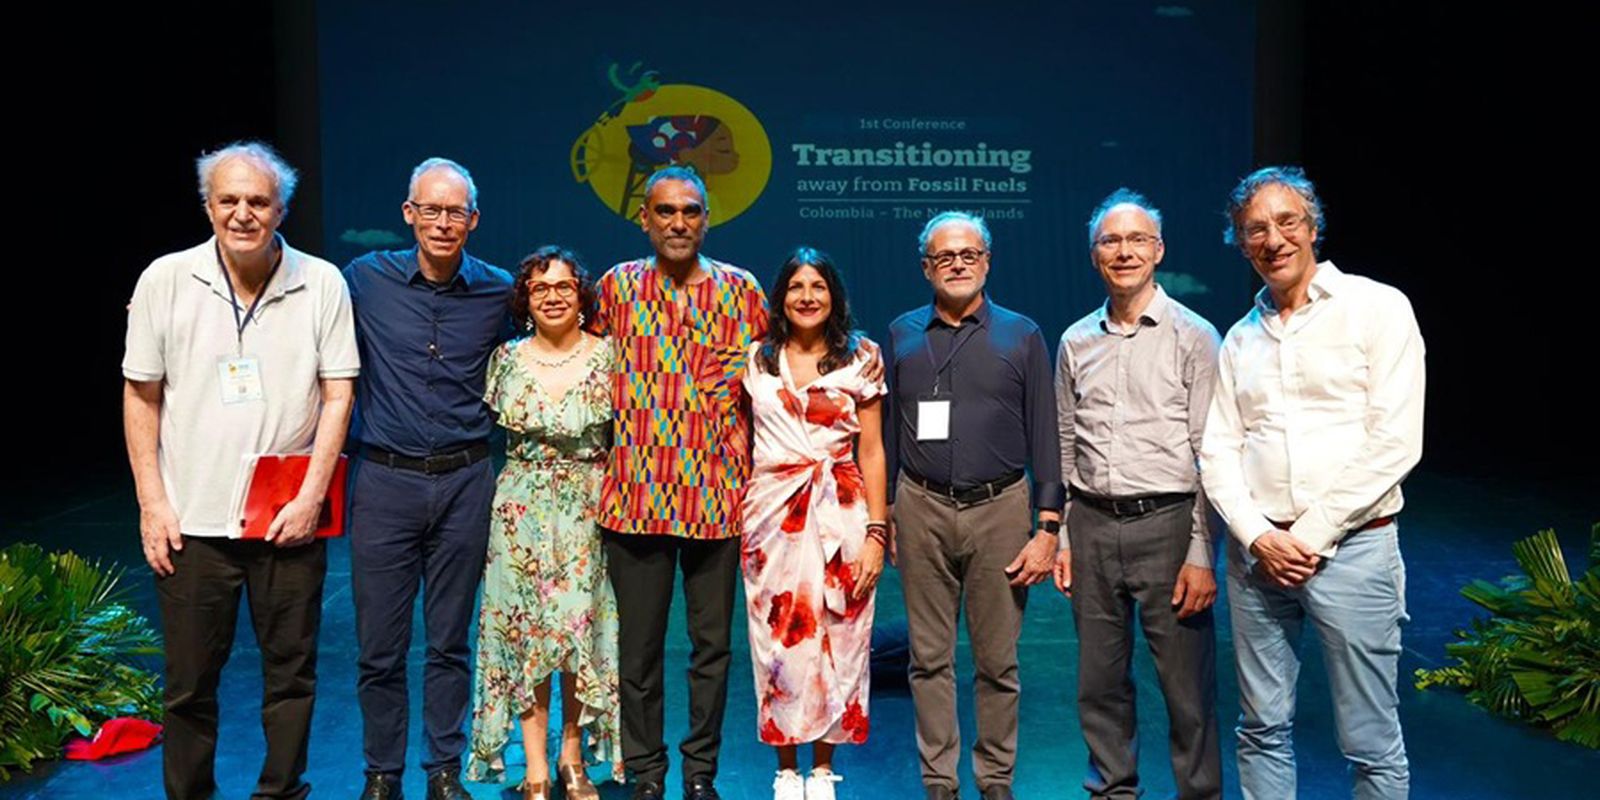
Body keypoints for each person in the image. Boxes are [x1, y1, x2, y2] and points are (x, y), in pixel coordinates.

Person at [122, 141, 358, 800]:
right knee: (189, 685)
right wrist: (152, 503)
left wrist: (311, 496)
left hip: (287, 519)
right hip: (191, 522)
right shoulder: (165, 279)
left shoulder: (322, 282)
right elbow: (141, 395)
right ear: (208, 205)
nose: (243, 213)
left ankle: (280, 792)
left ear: (281, 209)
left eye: (258, 201)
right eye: (228, 200)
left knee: (292, 676)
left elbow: (338, 394)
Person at [1200, 166, 1425, 799]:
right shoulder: (1240, 338)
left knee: (1371, 742)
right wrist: (1258, 537)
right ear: (1241, 244)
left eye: (1286, 222)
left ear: (1313, 226)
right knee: (1261, 728)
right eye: (1255, 230)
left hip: (1354, 550)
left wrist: (1308, 537)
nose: (1273, 239)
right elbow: (1218, 450)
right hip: (1258, 559)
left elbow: (1395, 440)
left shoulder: (1377, 307)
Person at [595, 165, 768, 800]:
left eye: (689, 211)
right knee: (637, 651)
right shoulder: (615, 288)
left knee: (711, 649)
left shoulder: (742, 292)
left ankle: (700, 773)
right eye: (665, 211)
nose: (677, 222)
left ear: (706, 219)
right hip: (636, 497)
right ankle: (646, 772)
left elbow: (771, 388)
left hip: (716, 499)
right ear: (644, 218)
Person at [343, 158, 514, 800]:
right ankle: (381, 774)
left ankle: (443, 768)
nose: (443, 223)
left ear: (474, 219)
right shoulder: (366, 279)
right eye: (431, 210)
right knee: (379, 646)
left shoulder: (498, 290)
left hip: (466, 480)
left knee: (449, 640)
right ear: (409, 214)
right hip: (385, 480)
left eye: (455, 212)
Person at [885, 211, 1064, 800]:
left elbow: (1046, 434)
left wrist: (1048, 525)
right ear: (926, 267)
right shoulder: (901, 334)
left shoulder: (1022, 335)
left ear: (986, 261)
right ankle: (940, 780)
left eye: (969, 254)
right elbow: (887, 433)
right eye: (945, 256)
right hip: (921, 507)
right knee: (928, 658)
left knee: (997, 662)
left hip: (1000, 509)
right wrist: (886, 510)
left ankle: (994, 780)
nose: (957, 264)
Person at [1053, 189, 1222, 799]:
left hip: (1169, 525)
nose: (1123, 251)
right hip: (1092, 525)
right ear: (1094, 254)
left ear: (1158, 251)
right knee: (1099, 685)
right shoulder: (1076, 341)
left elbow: (1210, 452)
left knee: (1186, 690)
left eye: (1136, 240)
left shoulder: (1195, 335)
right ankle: (1111, 791)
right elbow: (1066, 443)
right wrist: (1065, 535)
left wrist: (1202, 551)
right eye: (1110, 241)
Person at [467, 247, 621, 800]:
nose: (552, 296)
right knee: (524, 634)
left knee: (581, 632)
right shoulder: (506, 359)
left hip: (588, 505)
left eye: (563, 286)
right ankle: (534, 765)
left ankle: (572, 757)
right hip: (520, 509)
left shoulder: (609, 356)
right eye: (539, 288)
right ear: (525, 299)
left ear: (581, 295)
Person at [740, 248, 888, 800]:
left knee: (841, 638)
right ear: (781, 297)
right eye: (797, 287)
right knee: (779, 640)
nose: (807, 296)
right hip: (771, 518)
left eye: (818, 286)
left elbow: (872, 451)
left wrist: (877, 532)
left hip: (842, 513)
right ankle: (785, 768)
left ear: (833, 296)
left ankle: (823, 770)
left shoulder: (862, 357)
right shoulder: (757, 359)